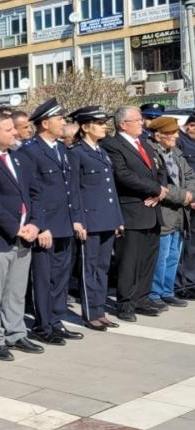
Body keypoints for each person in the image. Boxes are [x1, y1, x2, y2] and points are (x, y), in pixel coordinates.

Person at [0, 111, 43, 361]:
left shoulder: (18, 158)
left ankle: (16, 332)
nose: (16, 132)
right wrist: (14, 227)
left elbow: (35, 193)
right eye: (9, 130)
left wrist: (35, 224)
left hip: (25, 236)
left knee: (16, 290)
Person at [20, 98, 85, 345]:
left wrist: (76, 219)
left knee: (61, 277)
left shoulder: (61, 149)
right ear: (45, 123)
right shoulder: (30, 151)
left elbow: (71, 190)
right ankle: (43, 325)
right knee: (44, 279)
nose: (64, 123)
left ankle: (56, 321)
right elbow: (31, 192)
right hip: (46, 227)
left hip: (65, 223)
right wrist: (42, 225)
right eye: (59, 119)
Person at [101, 106, 166, 321]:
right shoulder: (112, 145)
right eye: (137, 120)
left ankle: (142, 298)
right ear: (123, 124)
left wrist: (160, 192)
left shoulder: (144, 144)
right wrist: (153, 189)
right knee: (129, 260)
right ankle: (126, 303)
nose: (142, 123)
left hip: (152, 209)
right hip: (131, 210)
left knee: (148, 258)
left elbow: (159, 170)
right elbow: (122, 175)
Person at [68, 106, 124, 331]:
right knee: (88, 268)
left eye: (104, 122)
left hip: (106, 219)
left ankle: (100, 309)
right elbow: (74, 190)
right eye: (99, 123)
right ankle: (90, 312)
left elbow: (110, 189)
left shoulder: (101, 152)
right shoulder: (76, 153)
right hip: (89, 221)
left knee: (102, 267)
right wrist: (77, 220)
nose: (104, 126)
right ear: (84, 127)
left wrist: (117, 218)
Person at [146, 116, 195, 309]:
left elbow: (190, 175)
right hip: (164, 211)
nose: (176, 136)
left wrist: (190, 195)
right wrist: (184, 196)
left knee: (174, 254)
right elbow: (159, 184)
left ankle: (167, 290)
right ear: (159, 136)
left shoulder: (175, 152)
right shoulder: (151, 152)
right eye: (171, 133)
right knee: (162, 255)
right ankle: (155, 292)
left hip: (179, 212)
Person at [175, 112, 195, 298]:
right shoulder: (180, 142)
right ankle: (184, 284)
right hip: (189, 202)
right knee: (187, 246)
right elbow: (182, 176)